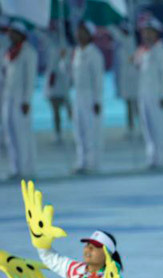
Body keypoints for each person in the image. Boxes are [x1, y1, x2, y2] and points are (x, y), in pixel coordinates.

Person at [136, 18, 163, 169]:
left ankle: (162, 157)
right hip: (144, 94)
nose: (147, 35)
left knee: (159, 127)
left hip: (157, 95)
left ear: (156, 33)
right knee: (148, 128)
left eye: (150, 32)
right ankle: (152, 157)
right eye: (145, 32)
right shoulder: (143, 51)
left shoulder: (162, 51)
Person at [2, 22, 37, 179]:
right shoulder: (8, 53)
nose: (10, 35)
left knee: (22, 134)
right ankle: (15, 167)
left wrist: (26, 100)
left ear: (21, 35)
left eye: (14, 32)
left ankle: (25, 168)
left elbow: (30, 79)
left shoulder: (28, 53)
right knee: (10, 134)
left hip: (20, 99)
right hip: (8, 98)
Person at [71, 21, 105, 174]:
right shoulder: (76, 52)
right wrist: (64, 60)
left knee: (91, 131)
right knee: (79, 131)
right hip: (78, 95)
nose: (79, 35)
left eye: (83, 32)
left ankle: (92, 163)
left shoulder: (95, 54)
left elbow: (98, 79)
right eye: (78, 31)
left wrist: (97, 100)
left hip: (90, 96)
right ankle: (81, 161)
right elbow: (69, 74)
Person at [108, 23, 139, 138]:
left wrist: (110, 26)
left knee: (136, 105)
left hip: (134, 80)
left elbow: (115, 33)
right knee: (129, 105)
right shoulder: (120, 45)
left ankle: (141, 127)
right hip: (125, 80)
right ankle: (130, 128)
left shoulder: (130, 42)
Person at [43, 28, 71, 144]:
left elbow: (66, 66)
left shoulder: (65, 46)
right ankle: (58, 133)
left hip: (61, 83)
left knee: (69, 109)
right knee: (55, 111)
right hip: (52, 84)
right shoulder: (51, 44)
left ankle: (76, 130)